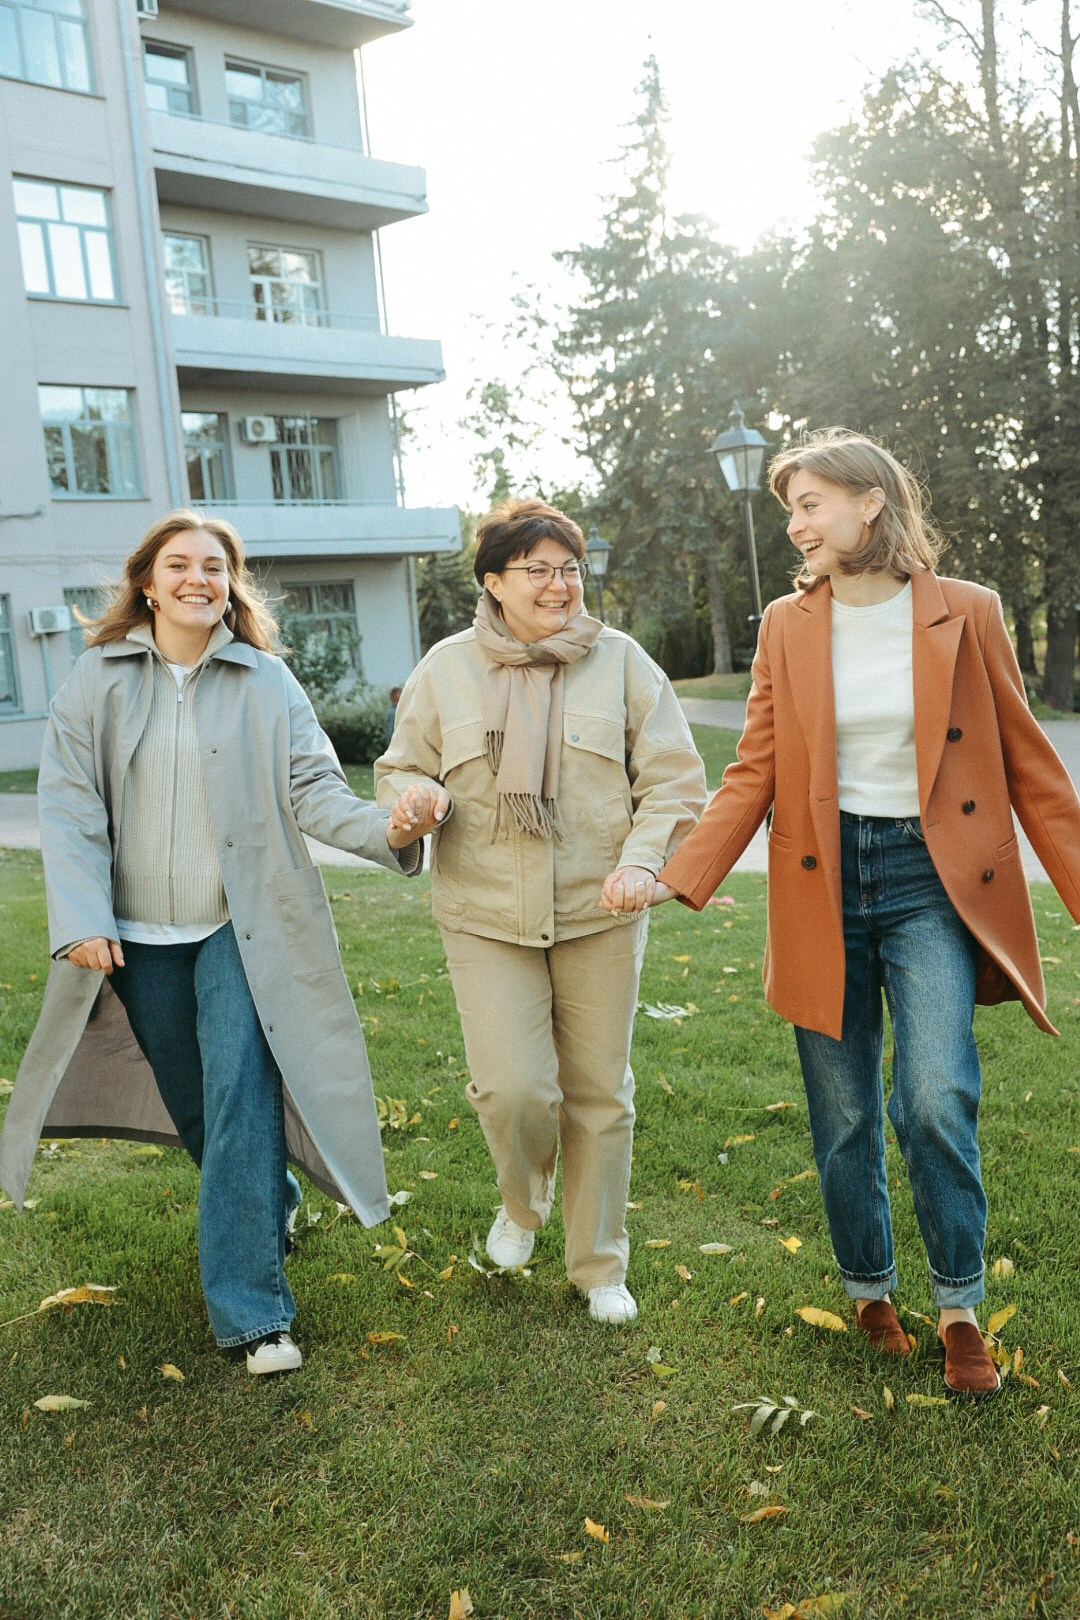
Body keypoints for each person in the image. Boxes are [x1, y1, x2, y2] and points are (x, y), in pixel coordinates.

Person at [650, 428, 1080, 1395]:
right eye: (790, 509)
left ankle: (960, 1307)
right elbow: (753, 770)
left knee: (934, 1099)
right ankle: (870, 1288)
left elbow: (1029, 764)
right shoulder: (784, 625)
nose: (795, 525)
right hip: (823, 879)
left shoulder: (966, 612)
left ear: (867, 503)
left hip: (931, 882)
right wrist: (679, 873)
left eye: (808, 505)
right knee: (844, 1115)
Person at [0, 510, 438, 1375]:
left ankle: (254, 1316)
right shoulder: (96, 679)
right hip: (137, 932)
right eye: (179, 564)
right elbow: (71, 804)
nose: (198, 578)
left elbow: (315, 791)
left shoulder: (267, 684)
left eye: (215, 565)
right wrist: (82, 913)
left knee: (241, 1087)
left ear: (229, 585)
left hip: (243, 926)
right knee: (199, 1104)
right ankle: (266, 1198)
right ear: (148, 582)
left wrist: (392, 827)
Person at [375, 498, 706, 1323]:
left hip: (601, 908)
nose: (559, 585)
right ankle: (522, 1203)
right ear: (493, 581)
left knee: (598, 1092)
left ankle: (599, 1267)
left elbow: (672, 780)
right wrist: (413, 802)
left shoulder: (624, 663)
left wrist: (642, 863)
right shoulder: (445, 669)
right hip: (484, 912)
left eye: (570, 569)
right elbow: (399, 769)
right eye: (537, 570)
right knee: (514, 1089)